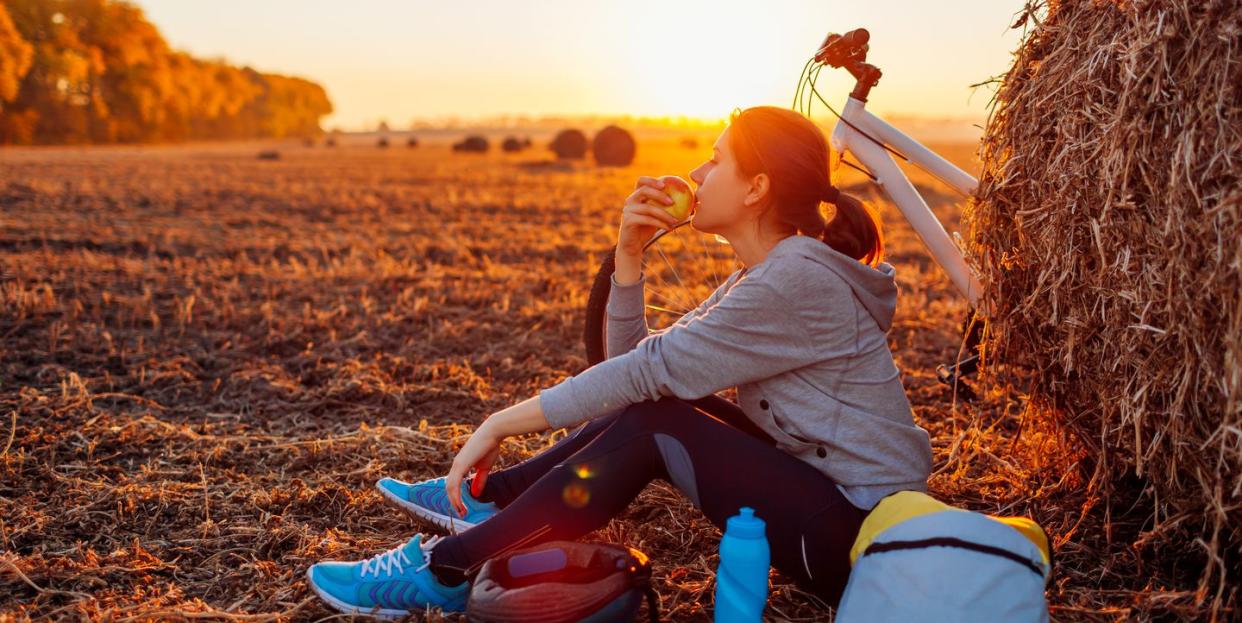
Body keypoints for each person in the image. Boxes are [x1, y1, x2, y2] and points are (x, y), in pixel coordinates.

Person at [307, 106, 933, 619]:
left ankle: (446, 568)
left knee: (662, 422)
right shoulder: (766, 274)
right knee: (659, 409)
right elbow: (635, 370)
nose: (696, 171)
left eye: (716, 160)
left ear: (756, 188)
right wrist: (629, 257)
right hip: (832, 506)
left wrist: (498, 423)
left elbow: (641, 375)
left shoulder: (793, 280)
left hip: (862, 538)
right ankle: (491, 501)